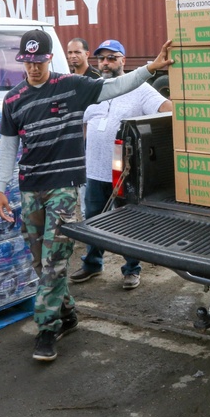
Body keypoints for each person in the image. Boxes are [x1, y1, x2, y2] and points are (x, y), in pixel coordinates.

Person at [0, 29, 173, 362]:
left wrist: (151, 68)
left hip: (64, 188)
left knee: (54, 262)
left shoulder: (71, 88)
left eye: (40, 61)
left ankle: (46, 330)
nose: (33, 68)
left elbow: (116, 86)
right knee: (39, 261)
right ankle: (67, 313)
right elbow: (9, 147)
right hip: (30, 189)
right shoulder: (13, 100)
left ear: (50, 59)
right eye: (28, 62)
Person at [70, 39, 172, 290]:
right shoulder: (93, 90)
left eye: (112, 58)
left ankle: (131, 269)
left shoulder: (141, 90)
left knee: (127, 222)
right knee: (93, 219)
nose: (106, 63)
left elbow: (169, 111)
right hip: (94, 170)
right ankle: (93, 264)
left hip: (124, 173)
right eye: (101, 58)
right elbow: (83, 126)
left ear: (123, 61)